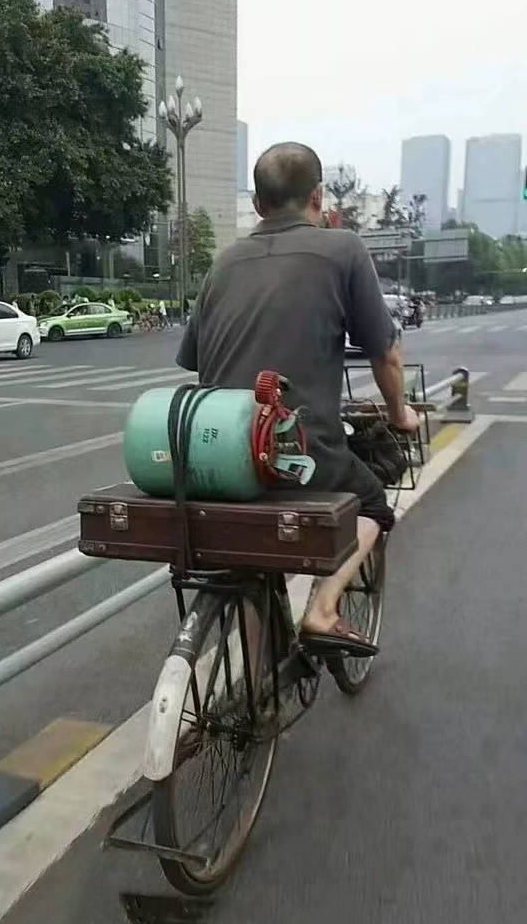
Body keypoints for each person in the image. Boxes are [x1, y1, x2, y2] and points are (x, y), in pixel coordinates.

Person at [177, 142, 418, 668]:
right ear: (317, 197)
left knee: (248, 560)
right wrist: (401, 414)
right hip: (296, 452)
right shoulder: (344, 249)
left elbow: (195, 361)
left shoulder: (223, 263)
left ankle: (255, 679)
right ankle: (324, 611)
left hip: (216, 457)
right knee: (374, 505)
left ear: (258, 205)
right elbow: (386, 354)